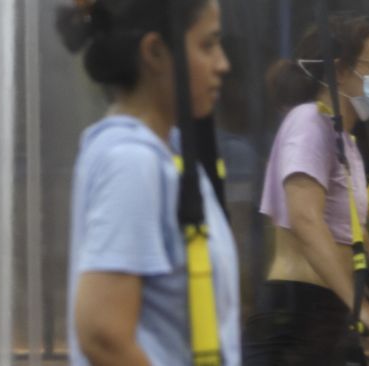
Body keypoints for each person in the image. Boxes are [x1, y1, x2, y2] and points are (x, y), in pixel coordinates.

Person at [55, 0, 239, 365]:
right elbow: (103, 335)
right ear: (154, 52)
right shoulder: (131, 162)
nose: (223, 64)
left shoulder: (164, 152)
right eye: (207, 44)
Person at [242, 14, 369, 365]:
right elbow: (305, 220)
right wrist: (363, 309)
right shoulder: (309, 121)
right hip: (295, 318)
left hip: (332, 315)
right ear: (341, 70)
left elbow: (357, 239)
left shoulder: (345, 141)